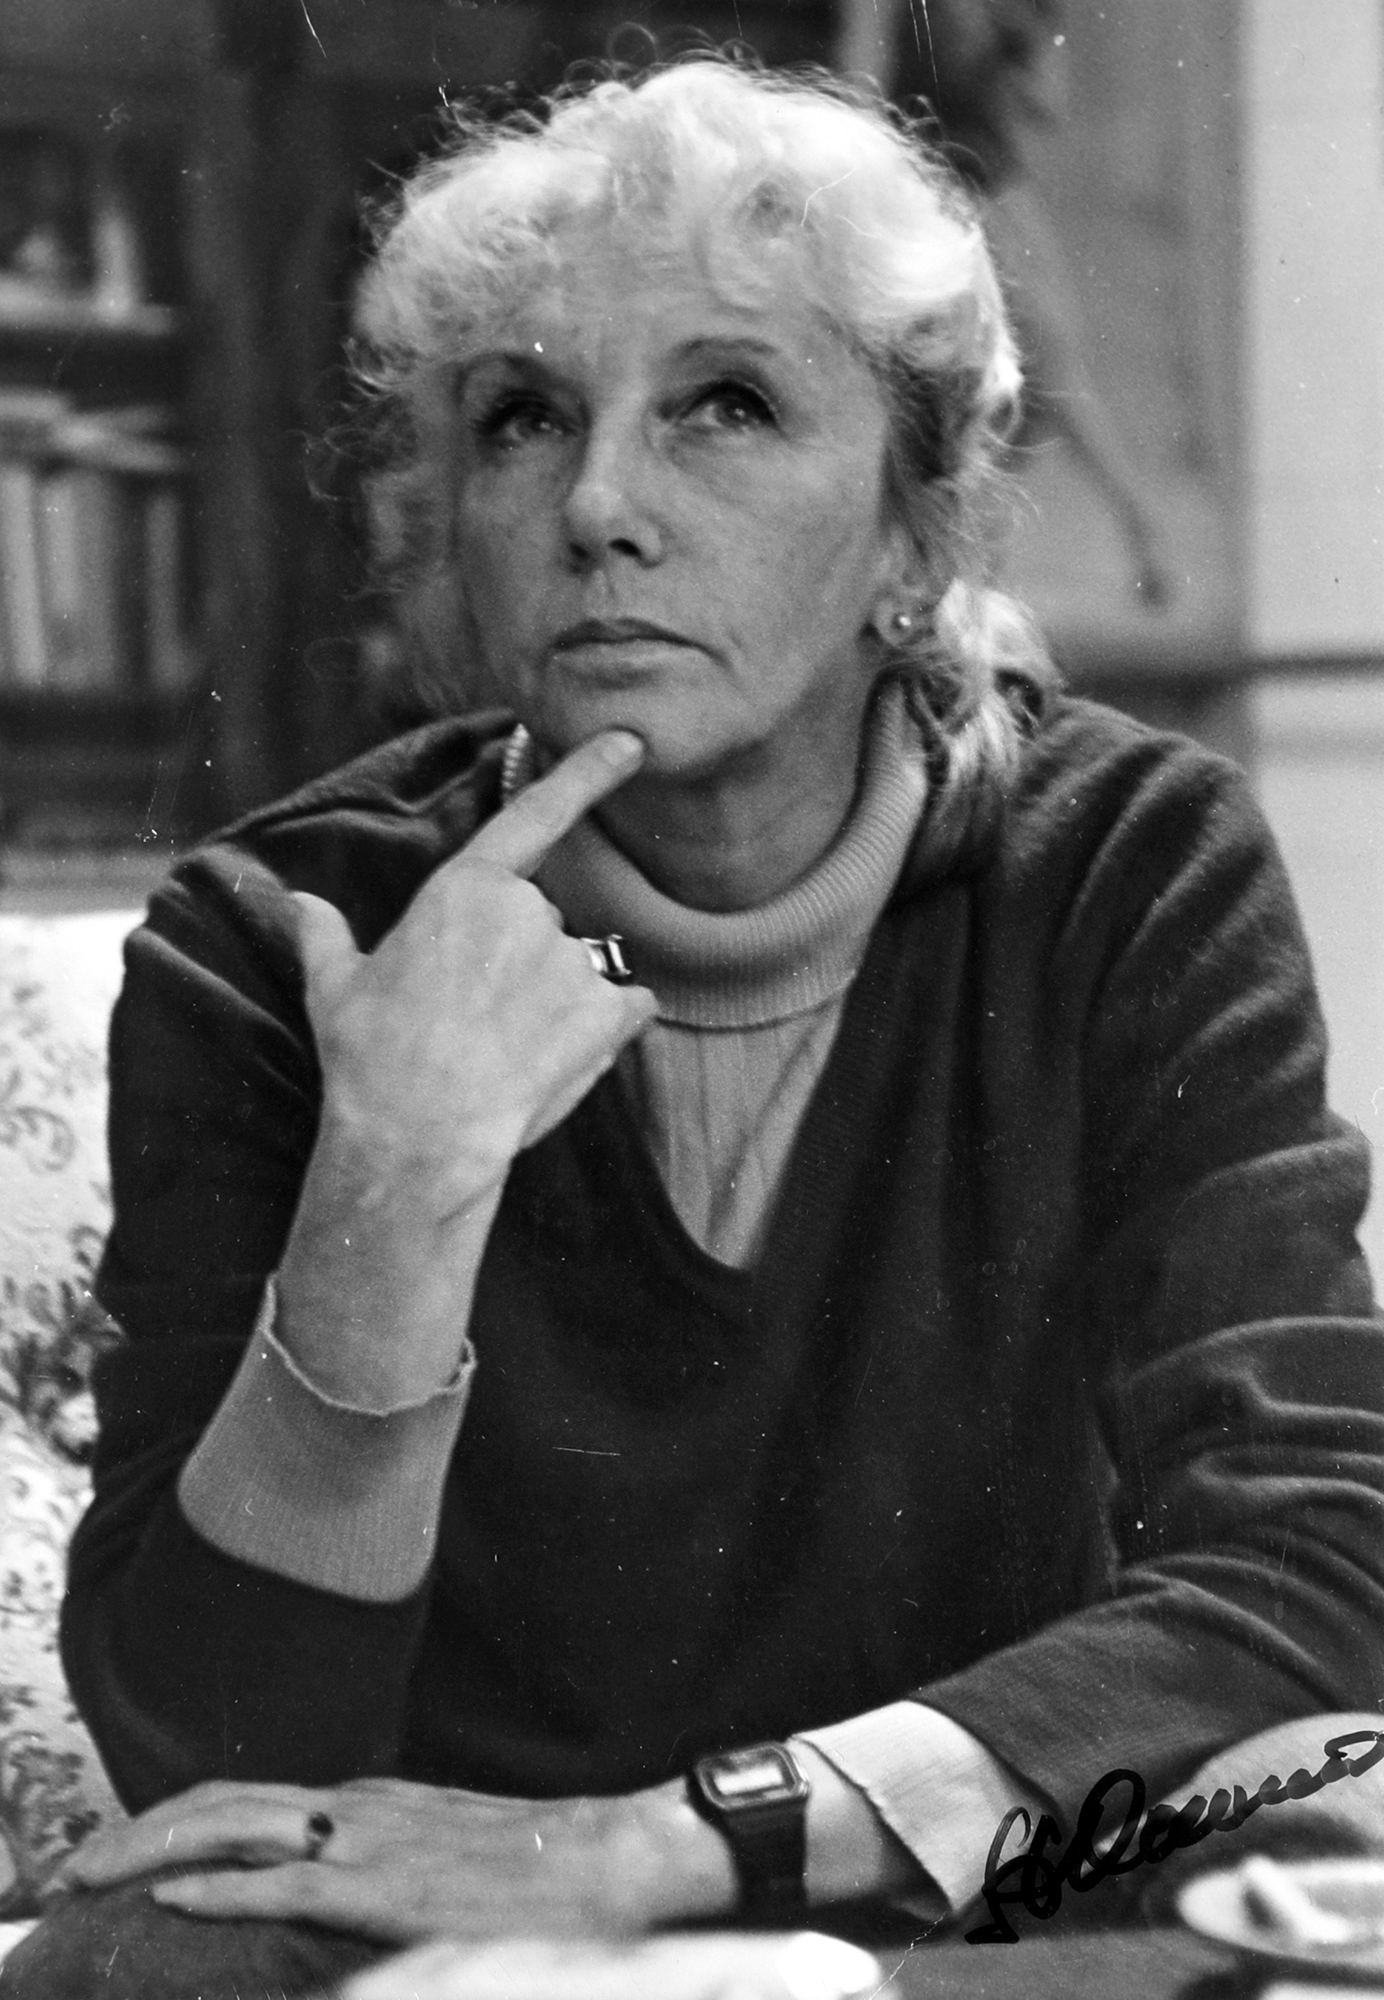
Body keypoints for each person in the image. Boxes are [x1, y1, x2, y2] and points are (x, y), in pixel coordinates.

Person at [6, 55, 1382, 2000]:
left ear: (917, 531)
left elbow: (1310, 1551)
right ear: (452, 530)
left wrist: (674, 1856)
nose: (596, 505)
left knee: (1335, 1854)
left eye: (725, 404)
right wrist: (393, 1183)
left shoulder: (1129, 863)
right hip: (461, 1900)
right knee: (134, 1958)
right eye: (521, 419)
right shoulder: (274, 934)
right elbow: (214, 1758)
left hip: (967, 1871)